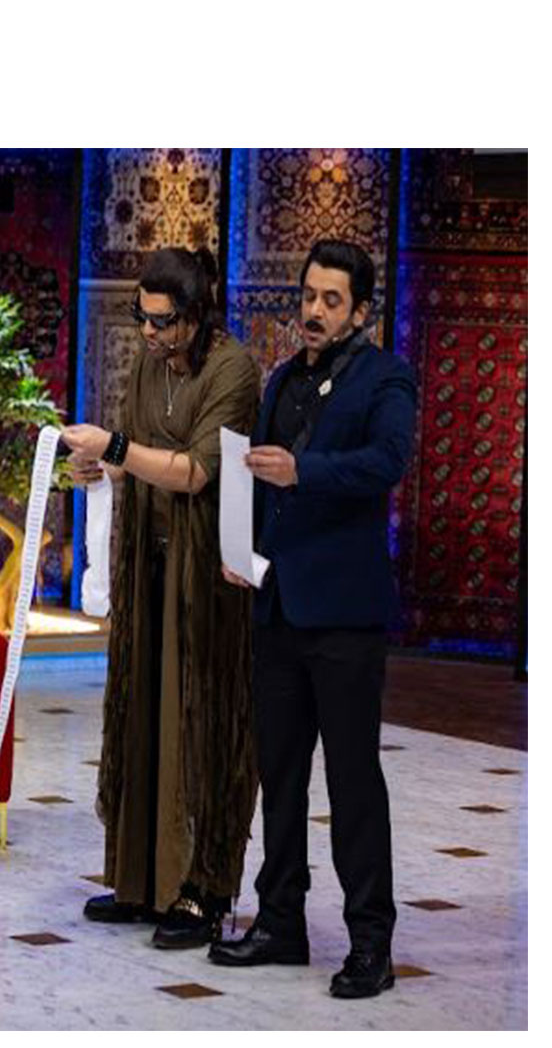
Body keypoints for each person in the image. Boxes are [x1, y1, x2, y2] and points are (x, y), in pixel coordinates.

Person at [210, 239, 418, 999]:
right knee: (281, 775)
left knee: (353, 779)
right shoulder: (283, 379)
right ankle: (280, 922)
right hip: (279, 608)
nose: (315, 311)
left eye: (332, 300)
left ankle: (371, 943)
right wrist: (245, 552)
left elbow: (387, 462)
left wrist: (306, 469)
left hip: (345, 617)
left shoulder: (386, 377)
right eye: (308, 296)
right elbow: (263, 485)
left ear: (360, 311)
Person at [61, 247, 261, 949]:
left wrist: (115, 448)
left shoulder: (232, 370)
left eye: (162, 321)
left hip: (205, 576)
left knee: (196, 722)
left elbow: (197, 471)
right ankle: (141, 881)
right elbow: (134, 452)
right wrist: (99, 467)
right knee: (143, 714)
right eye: (141, 318)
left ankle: (203, 888)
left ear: (196, 315)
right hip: (148, 562)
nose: (148, 332)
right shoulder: (152, 364)